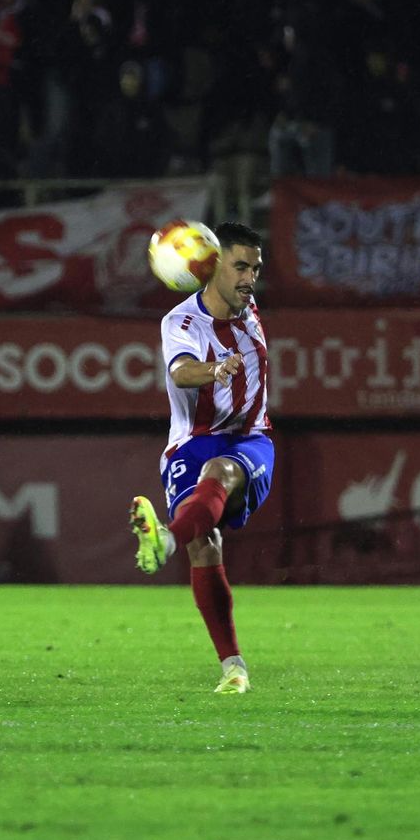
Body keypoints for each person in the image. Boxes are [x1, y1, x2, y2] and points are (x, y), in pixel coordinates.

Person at [129, 222, 272, 695]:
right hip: (192, 439)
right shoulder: (180, 323)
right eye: (240, 266)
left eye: (255, 266)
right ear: (212, 266)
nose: (250, 276)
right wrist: (215, 369)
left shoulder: (247, 306)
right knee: (205, 545)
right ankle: (233, 667)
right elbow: (182, 373)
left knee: (221, 474)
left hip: (250, 438)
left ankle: (164, 543)